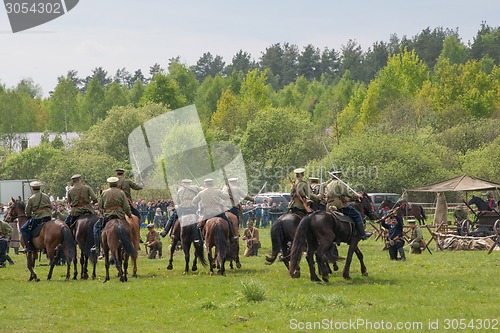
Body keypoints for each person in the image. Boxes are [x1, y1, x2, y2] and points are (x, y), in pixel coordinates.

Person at [325, 171, 372, 240]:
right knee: (357, 215)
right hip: (339, 204)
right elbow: (348, 192)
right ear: (338, 176)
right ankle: (363, 234)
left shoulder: (328, 184)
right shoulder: (339, 183)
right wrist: (357, 196)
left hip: (329, 205)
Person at [91, 177, 132, 254]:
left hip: (108, 215)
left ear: (109, 184)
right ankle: (130, 243)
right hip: (120, 215)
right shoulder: (121, 192)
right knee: (128, 228)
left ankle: (97, 247)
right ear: (116, 184)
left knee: (96, 228)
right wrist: (129, 214)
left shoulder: (104, 193)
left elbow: (100, 206)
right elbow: (126, 207)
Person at [21, 181, 52, 252]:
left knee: (23, 229)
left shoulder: (31, 198)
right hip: (48, 217)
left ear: (32, 189)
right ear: (39, 188)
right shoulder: (46, 196)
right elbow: (51, 206)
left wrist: (29, 215)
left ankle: (27, 246)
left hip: (38, 218)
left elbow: (27, 211)